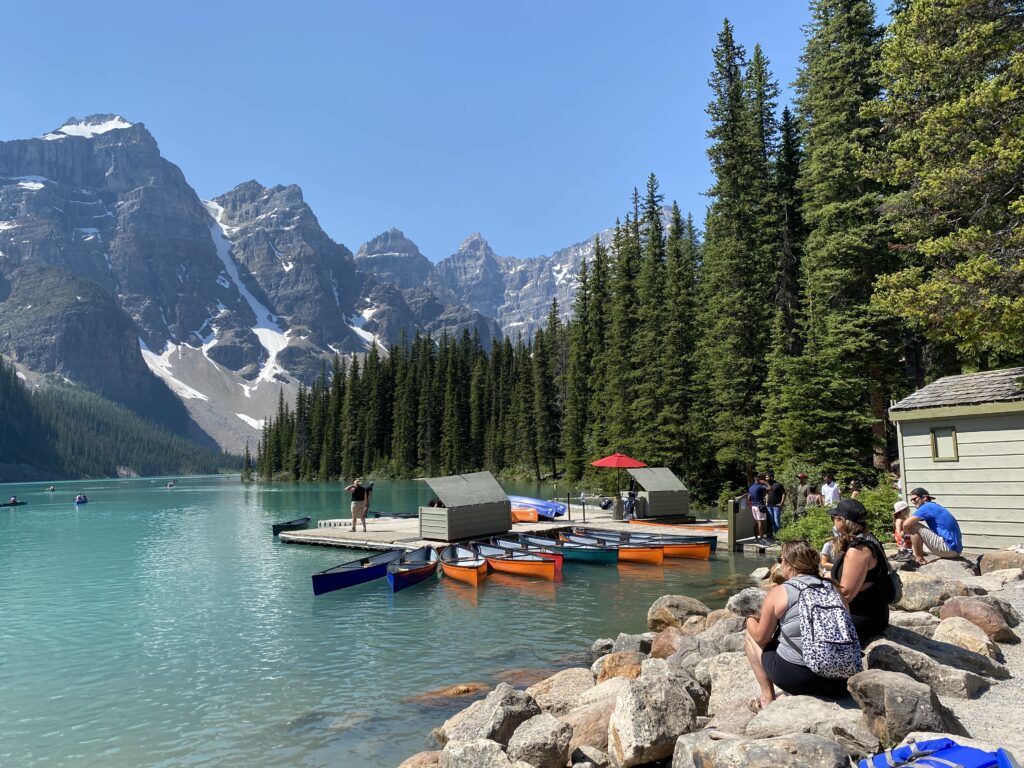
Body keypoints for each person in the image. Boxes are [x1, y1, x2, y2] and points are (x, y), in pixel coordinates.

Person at [744, 539, 853, 710]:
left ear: (788, 563)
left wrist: (749, 619)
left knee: (751, 635)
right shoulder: (833, 589)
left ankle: (767, 698)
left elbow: (761, 637)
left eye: (781, 560)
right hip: (840, 681)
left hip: (801, 680)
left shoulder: (780, 591)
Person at [829, 498, 890, 643]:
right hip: (871, 610)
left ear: (841, 521)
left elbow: (846, 594)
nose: (833, 522)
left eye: (834, 518)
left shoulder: (858, 551)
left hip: (863, 616)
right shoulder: (867, 539)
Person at [903, 487, 963, 565]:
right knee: (914, 530)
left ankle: (919, 559)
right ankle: (914, 553)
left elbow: (906, 524)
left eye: (915, 499)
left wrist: (906, 534)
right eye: (911, 500)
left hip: (949, 549)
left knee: (913, 527)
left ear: (924, 497)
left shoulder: (927, 507)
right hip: (956, 550)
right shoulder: (933, 507)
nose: (913, 502)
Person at [747, 474, 769, 543]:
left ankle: (756, 538)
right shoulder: (760, 487)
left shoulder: (751, 487)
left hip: (753, 506)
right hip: (759, 506)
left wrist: (750, 505)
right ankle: (761, 539)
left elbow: (749, 498)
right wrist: (765, 482)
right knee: (760, 522)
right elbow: (770, 488)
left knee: (756, 522)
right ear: (759, 480)